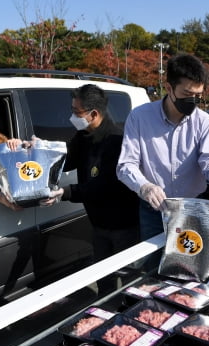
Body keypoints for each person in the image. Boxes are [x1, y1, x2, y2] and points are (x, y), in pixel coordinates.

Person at [117, 53, 209, 245]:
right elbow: (126, 166)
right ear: (169, 88)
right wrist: (145, 186)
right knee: (151, 265)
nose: (192, 100)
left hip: (192, 207)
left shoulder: (204, 122)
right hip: (154, 209)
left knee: (188, 266)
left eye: (198, 96)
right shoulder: (140, 118)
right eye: (187, 94)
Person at [46, 84, 140, 294]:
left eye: (76, 112)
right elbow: (67, 160)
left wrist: (66, 192)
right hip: (98, 223)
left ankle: (128, 317)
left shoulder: (115, 140)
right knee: (102, 276)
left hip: (122, 225)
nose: (72, 116)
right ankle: (104, 313)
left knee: (127, 279)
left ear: (93, 113)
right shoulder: (83, 135)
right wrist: (41, 151)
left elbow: (103, 187)